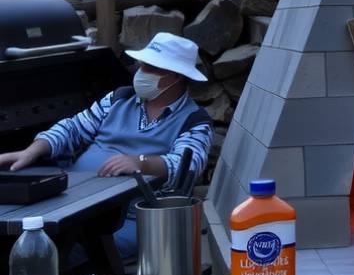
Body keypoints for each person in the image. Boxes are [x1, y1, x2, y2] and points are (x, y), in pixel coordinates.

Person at [0, 32, 213, 258]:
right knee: (17, 239)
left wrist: (140, 162)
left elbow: (186, 166)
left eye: (152, 68)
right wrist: (31, 151)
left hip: (131, 219)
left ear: (177, 76)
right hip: (71, 203)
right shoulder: (118, 99)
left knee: (63, 252)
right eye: (142, 65)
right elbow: (73, 128)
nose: (141, 72)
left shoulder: (195, 121)